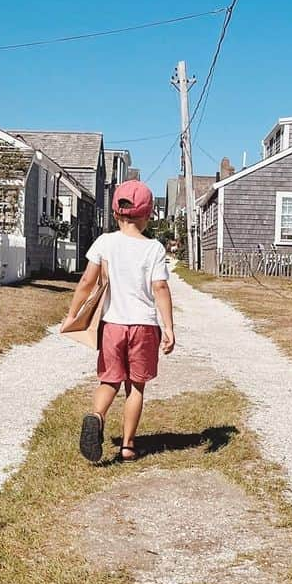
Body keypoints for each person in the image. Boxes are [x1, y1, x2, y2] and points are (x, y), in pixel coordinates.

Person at [62, 180, 175, 463]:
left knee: (109, 380)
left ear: (115, 213)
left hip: (112, 325)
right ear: (148, 215)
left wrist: (73, 313)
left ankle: (97, 416)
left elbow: (87, 281)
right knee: (136, 386)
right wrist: (169, 328)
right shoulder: (154, 249)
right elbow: (160, 288)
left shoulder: (105, 242)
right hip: (144, 327)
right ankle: (127, 446)